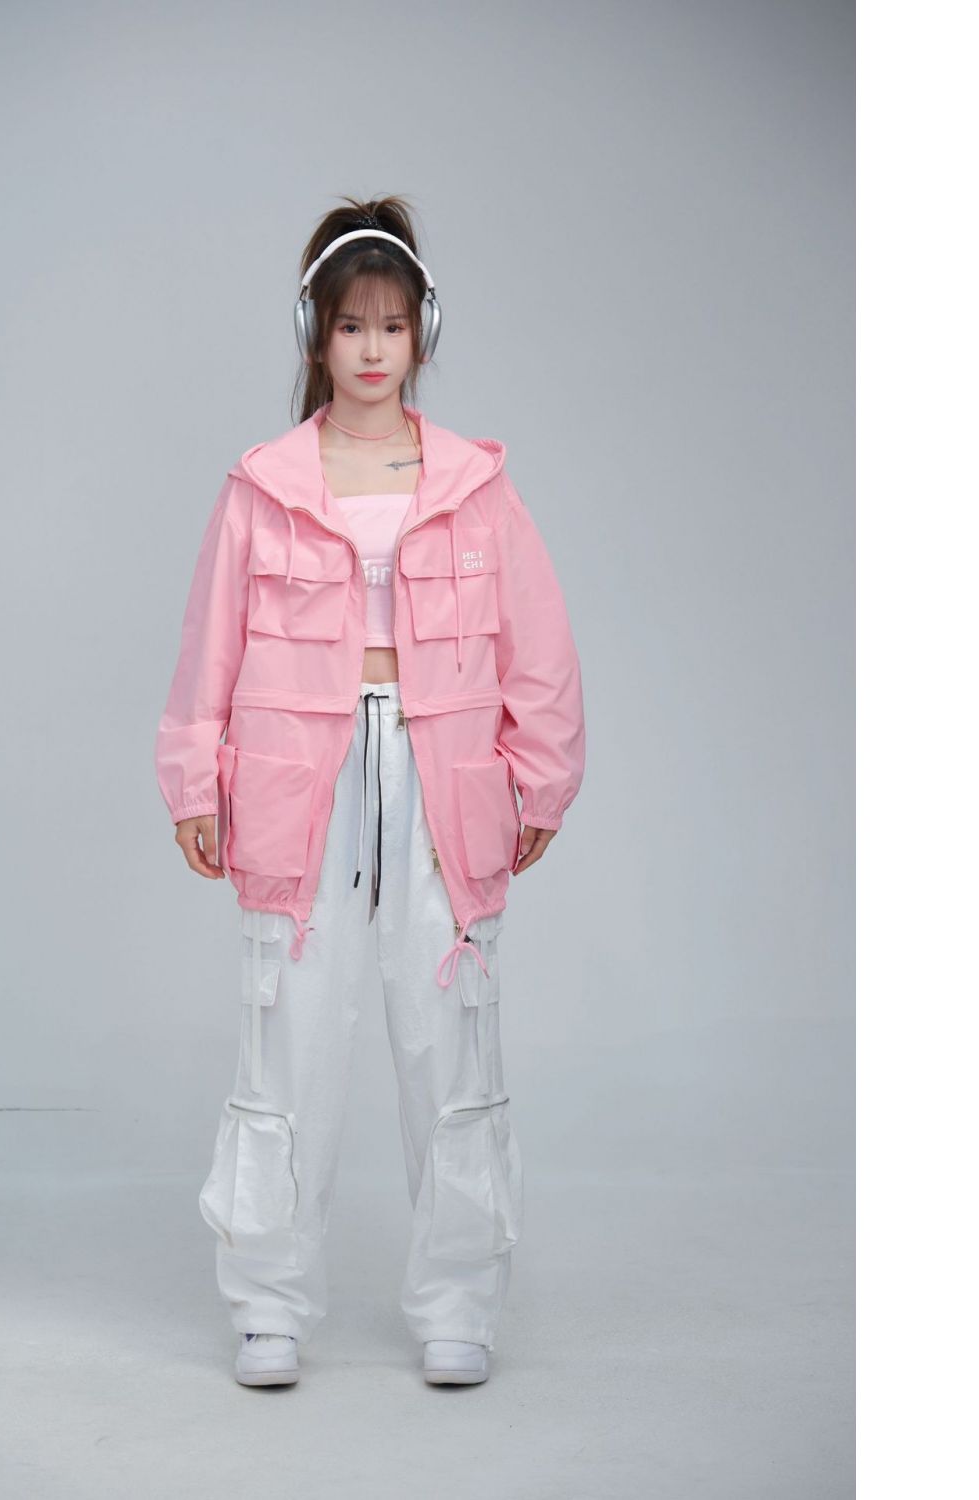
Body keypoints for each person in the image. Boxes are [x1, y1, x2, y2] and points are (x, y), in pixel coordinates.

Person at [155, 195, 586, 1388]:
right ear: (316, 334)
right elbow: (208, 647)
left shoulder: (476, 484)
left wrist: (541, 779)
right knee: (287, 1038)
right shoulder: (264, 486)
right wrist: (195, 780)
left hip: (445, 778)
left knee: (452, 1043)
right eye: (351, 325)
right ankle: (268, 1304)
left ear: (423, 332)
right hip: (300, 779)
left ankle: (458, 1305)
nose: (373, 348)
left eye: (393, 325)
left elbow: (540, 648)